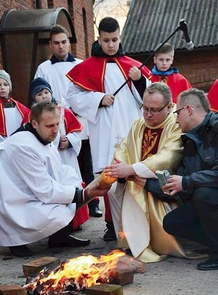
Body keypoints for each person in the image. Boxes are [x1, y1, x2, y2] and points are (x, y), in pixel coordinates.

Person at [147, 88, 218, 271]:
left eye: (177, 113)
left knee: (205, 194)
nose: (175, 119)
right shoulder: (190, 142)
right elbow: (186, 185)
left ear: (189, 110)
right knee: (173, 222)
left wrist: (187, 182)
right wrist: (148, 184)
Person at [0, 101, 108, 258]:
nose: (56, 130)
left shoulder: (40, 136)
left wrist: (76, 189)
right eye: (50, 126)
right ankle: (15, 241)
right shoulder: (22, 146)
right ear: (34, 123)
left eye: (57, 124)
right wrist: (85, 194)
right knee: (61, 208)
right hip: (13, 206)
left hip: (29, 193)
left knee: (71, 182)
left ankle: (59, 238)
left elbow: (56, 172)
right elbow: (45, 190)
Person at [66, 16, 152, 241]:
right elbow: (73, 96)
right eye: (106, 40)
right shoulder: (87, 67)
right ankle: (112, 224)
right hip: (104, 130)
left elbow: (149, 98)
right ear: (99, 39)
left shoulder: (133, 66)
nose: (111, 44)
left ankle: (135, 224)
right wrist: (97, 99)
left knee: (132, 177)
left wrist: (140, 80)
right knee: (109, 179)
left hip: (129, 128)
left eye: (114, 39)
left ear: (119, 38)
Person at [103, 83, 195, 263]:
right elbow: (123, 149)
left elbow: (169, 156)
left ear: (169, 107)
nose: (147, 114)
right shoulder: (139, 124)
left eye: (153, 110)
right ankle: (128, 240)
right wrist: (121, 169)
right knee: (113, 189)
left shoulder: (175, 124)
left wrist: (132, 169)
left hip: (165, 184)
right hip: (135, 178)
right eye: (144, 108)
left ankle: (156, 242)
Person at [34, 24, 102, 218]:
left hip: (81, 121)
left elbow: (89, 92)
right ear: (50, 45)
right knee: (63, 168)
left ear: (69, 43)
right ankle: (69, 206)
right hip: (55, 123)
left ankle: (93, 203)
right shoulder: (44, 68)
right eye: (56, 43)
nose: (61, 47)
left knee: (86, 167)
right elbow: (38, 95)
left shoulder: (81, 65)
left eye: (64, 42)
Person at [30, 77, 89, 232]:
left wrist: (69, 141)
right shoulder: (32, 116)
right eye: (39, 94)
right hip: (46, 159)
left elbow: (77, 132)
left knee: (69, 184)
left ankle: (74, 223)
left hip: (65, 157)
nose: (43, 96)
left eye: (46, 92)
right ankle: (56, 229)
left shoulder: (63, 111)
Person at [0, 69, 30, 163]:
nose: (2, 88)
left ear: (10, 87)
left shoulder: (23, 110)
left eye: (5, 84)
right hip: (1, 158)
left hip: (21, 156)